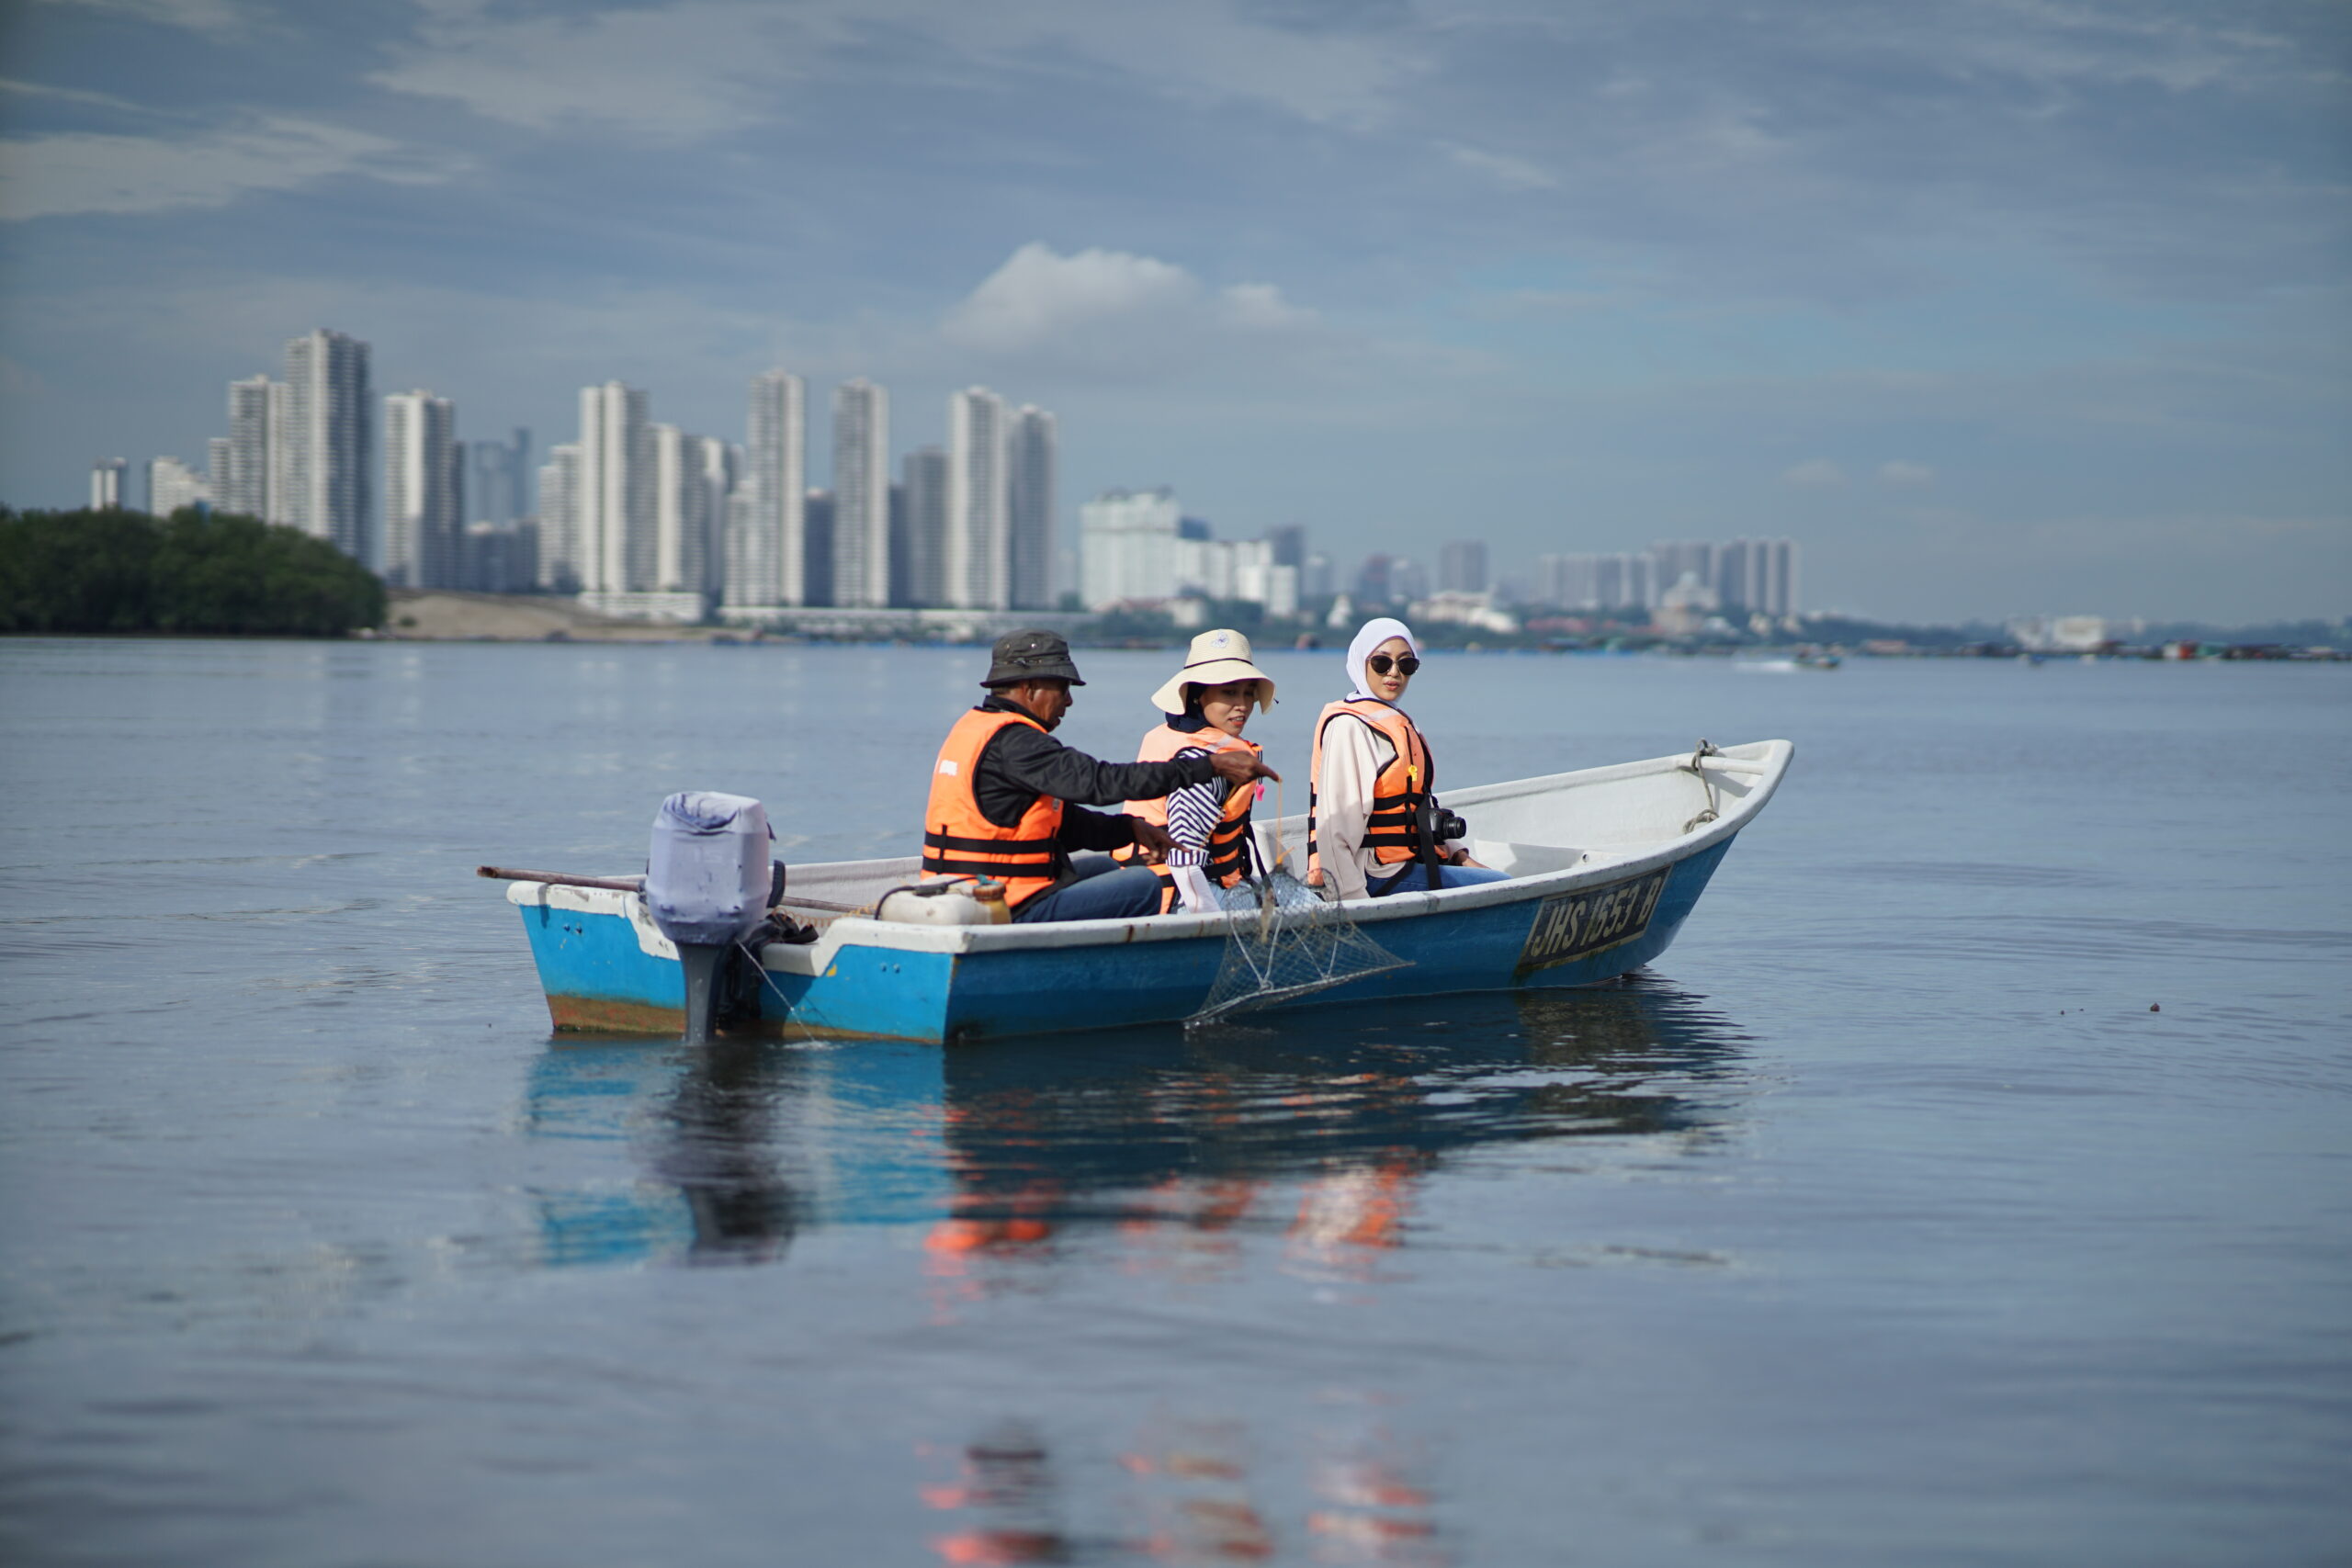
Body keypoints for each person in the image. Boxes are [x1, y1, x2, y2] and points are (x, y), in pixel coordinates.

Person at [921, 629, 1278, 923]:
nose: (1069, 702)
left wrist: (1127, 828)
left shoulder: (977, 728)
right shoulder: (1018, 743)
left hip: (963, 887)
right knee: (1142, 885)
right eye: (1062, 689)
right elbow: (1100, 782)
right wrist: (1209, 766)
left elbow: (1063, 823)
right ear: (1029, 689)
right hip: (998, 904)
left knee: (1106, 865)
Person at [1306, 618, 1509, 900]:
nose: (1394, 673)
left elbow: (1420, 809)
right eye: (1381, 662)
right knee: (1502, 886)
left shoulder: (1393, 720)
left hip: (1406, 864)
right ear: (1361, 661)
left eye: (1406, 665)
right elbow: (1334, 832)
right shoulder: (1349, 727)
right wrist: (1355, 906)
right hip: (1372, 876)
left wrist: (1459, 856)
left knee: (1501, 882)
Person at [1114, 628, 1277, 914]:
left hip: (1167, 887)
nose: (1242, 705)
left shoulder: (1175, 737)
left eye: (1248, 693)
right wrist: (1207, 922)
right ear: (1198, 696)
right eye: (1229, 692)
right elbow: (1183, 858)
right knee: (1313, 911)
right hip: (1180, 898)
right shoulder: (1204, 762)